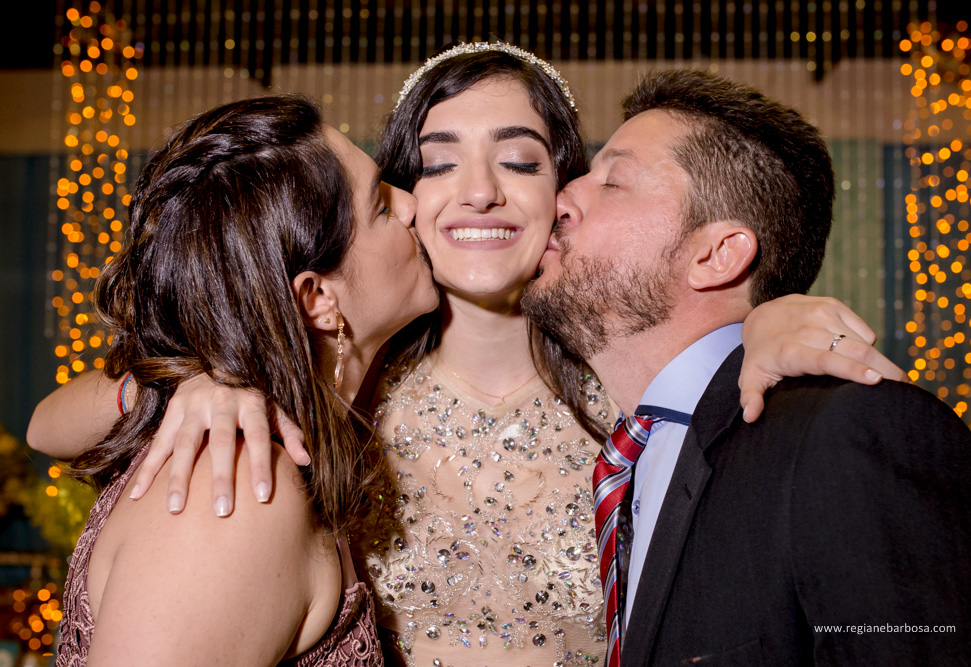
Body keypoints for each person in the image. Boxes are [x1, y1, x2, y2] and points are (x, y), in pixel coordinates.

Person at [31, 46, 905, 666]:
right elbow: (49, 423)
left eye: (518, 161)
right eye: (436, 165)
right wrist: (208, 378)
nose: (478, 190)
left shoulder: (627, 393)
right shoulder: (344, 388)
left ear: (565, 195)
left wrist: (767, 317)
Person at [521, 69, 971, 666]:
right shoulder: (626, 455)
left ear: (717, 254)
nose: (561, 199)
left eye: (612, 181)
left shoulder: (848, 435)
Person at [50, 95, 439, 666]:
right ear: (317, 299)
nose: (411, 205)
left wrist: (202, 378)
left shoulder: (283, 442)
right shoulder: (237, 497)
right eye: (380, 204)